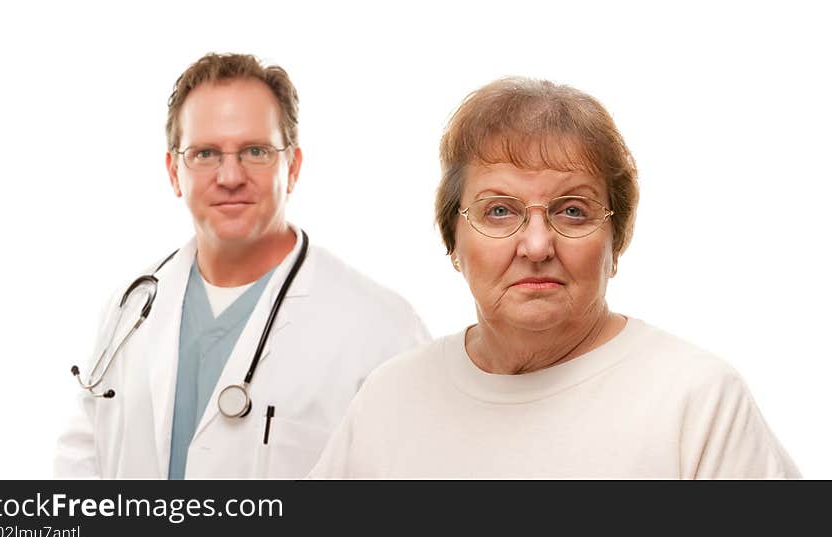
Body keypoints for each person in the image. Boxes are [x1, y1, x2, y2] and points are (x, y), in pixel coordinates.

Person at [310, 77, 799, 479]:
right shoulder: (390, 397)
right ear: (453, 240)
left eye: (572, 211)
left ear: (616, 241)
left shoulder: (696, 401)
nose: (538, 246)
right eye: (499, 211)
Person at [54, 53, 429, 479]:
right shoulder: (131, 309)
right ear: (174, 172)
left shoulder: (383, 330)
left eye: (255, 151)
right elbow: (81, 458)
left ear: (294, 167)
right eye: (205, 153)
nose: (230, 175)